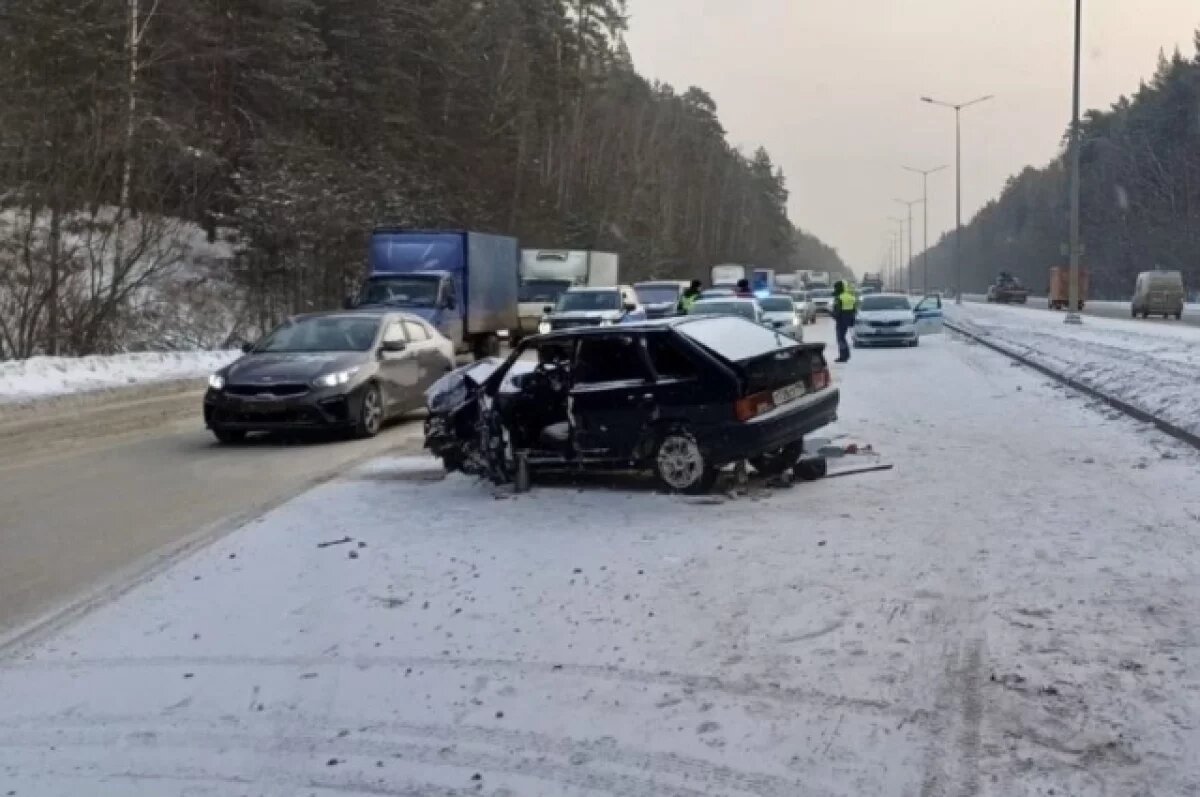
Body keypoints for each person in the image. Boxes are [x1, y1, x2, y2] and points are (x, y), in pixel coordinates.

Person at [831, 280, 857, 362]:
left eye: (835, 287)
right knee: (843, 338)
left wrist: (831, 314)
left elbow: (837, 311)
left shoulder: (839, 298)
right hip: (848, 319)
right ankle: (846, 355)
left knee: (840, 338)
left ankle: (843, 356)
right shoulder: (849, 296)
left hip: (841, 320)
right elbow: (854, 310)